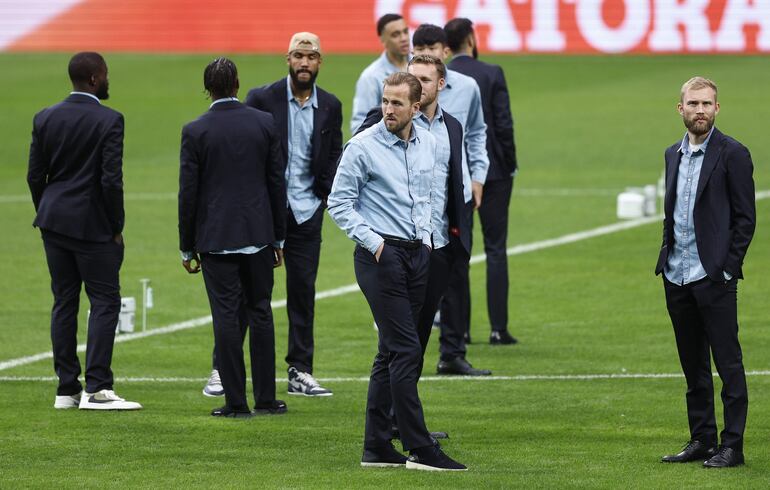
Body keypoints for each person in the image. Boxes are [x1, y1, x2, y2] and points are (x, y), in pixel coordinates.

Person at [328, 72, 466, 471]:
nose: (388, 109)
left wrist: (424, 242)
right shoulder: (362, 146)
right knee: (407, 349)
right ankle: (421, 448)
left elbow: (426, 197)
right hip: (379, 256)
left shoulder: (428, 144)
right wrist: (377, 245)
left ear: (416, 108)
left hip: (416, 254)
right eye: (386, 101)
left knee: (390, 352)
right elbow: (338, 204)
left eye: (397, 103)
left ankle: (376, 448)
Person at [195, 33, 343, 399]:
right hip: (265, 213)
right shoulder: (262, 98)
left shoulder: (331, 105)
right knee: (249, 293)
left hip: (307, 211)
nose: (304, 63)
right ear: (287, 59)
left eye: (311, 57)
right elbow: (244, 146)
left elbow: (334, 150)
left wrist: (322, 192)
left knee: (303, 292)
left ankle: (300, 370)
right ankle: (221, 368)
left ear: (320, 61)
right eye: (298, 56)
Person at [356, 55, 488, 378]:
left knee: (419, 340)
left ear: (441, 85)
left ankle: (403, 420)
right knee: (398, 343)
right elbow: (354, 173)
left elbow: (451, 185)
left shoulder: (452, 126)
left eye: (425, 80)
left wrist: (458, 238)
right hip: (397, 249)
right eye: (412, 77)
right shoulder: (382, 121)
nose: (417, 84)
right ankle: (392, 420)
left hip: (438, 247)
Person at [27, 52, 141, 411]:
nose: (108, 81)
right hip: (92, 227)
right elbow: (110, 180)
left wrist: (48, 210)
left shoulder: (45, 117)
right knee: (105, 301)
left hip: (53, 222)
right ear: (94, 79)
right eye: (105, 75)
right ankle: (97, 388)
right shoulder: (110, 120)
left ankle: (66, 390)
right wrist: (116, 226)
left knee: (64, 302)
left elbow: (34, 175)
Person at [179, 57, 287, 418]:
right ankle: (268, 399)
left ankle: (236, 403)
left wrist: (186, 245)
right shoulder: (264, 123)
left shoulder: (195, 130)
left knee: (225, 318)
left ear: (206, 87)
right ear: (237, 84)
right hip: (258, 235)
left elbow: (188, 194)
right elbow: (276, 182)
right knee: (261, 313)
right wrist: (279, 238)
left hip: (215, 238)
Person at [656, 77, 755, 468]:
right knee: (692, 365)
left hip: (713, 276)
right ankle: (702, 438)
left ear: (717, 109)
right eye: (693, 104)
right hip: (677, 275)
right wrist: (666, 257)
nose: (700, 110)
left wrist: (728, 268)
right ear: (680, 109)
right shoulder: (672, 154)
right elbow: (673, 212)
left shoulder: (733, 153)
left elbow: (746, 219)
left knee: (728, 364)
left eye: (707, 104)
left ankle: (733, 445)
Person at [410, 24, 491, 371]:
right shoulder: (395, 89)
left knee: (456, 273)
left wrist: (477, 176)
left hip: (454, 199)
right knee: (413, 287)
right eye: (420, 47)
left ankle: (453, 352)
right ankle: (403, 362)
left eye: (433, 46)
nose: (428, 51)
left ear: (445, 50)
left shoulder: (467, 89)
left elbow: (476, 133)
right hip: (412, 207)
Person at [445, 18, 519, 345]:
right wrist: (510, 164)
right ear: (472, 39)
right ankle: (498, 328)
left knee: (458, 253)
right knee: (495, 249)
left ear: (446, 47)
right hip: (494, 173)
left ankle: (460, 329)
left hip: (453, 173)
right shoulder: (491, 73)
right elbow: (502, 124)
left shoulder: (441, 77)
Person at [349, 13, 410, 134]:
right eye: (395, 35)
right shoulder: (371, 77)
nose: (403, 38)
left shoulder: (421, 68)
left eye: (405, 32)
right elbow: (359, 124)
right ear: (383, 39)